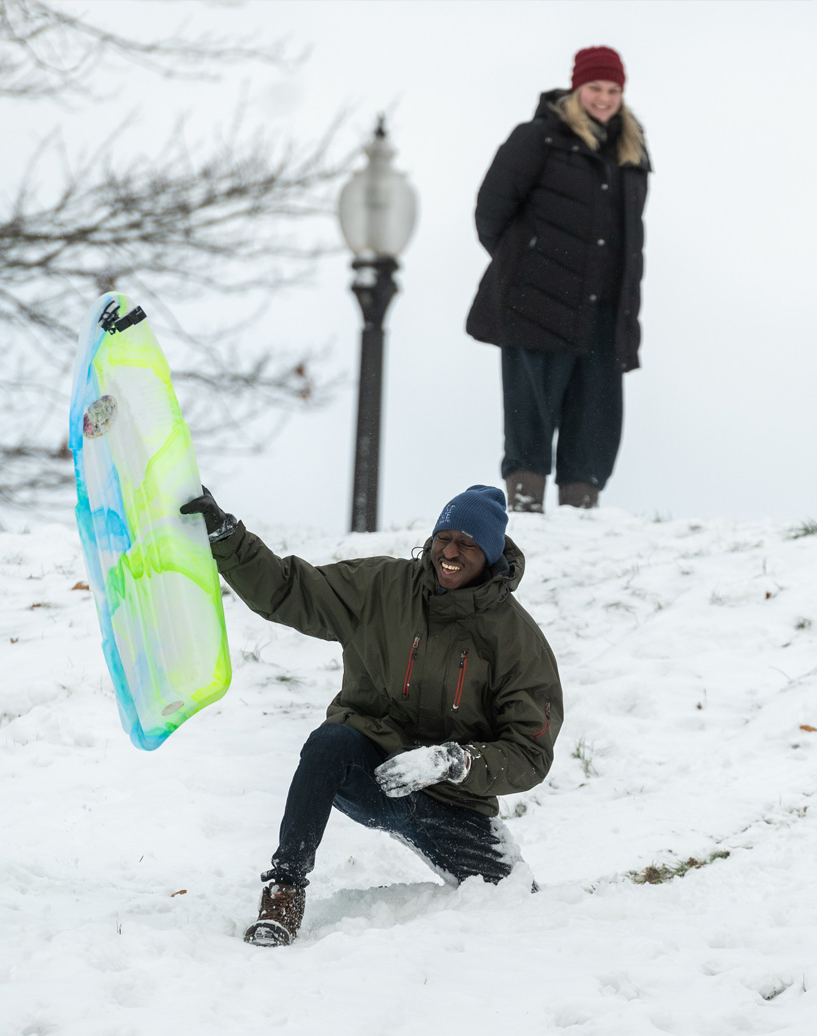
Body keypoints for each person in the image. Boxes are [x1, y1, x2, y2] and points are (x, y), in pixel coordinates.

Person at [179, 484, 564, 946]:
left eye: (467, 543)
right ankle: (284, 892)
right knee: (328, 744)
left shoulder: (517, 640)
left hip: (455, 803)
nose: (451, 551)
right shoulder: (383, 587)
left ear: (491, 554)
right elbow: (287, 590)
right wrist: (227, 537)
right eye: (445, 537)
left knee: (518, 902)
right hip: (375, 772)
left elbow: (529, 752)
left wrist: (453, 762)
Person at [467, 45, 652, 513]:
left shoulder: (631, 151)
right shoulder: (538, 138)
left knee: (595, 416)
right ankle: (525, 508)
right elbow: (491, 211)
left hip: (605, 310)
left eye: (613, 90)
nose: (604, 99)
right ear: (576, 88)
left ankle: (579, 513)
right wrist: (524, 270)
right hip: (538, 304)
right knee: (529, 411)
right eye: (595, 88)